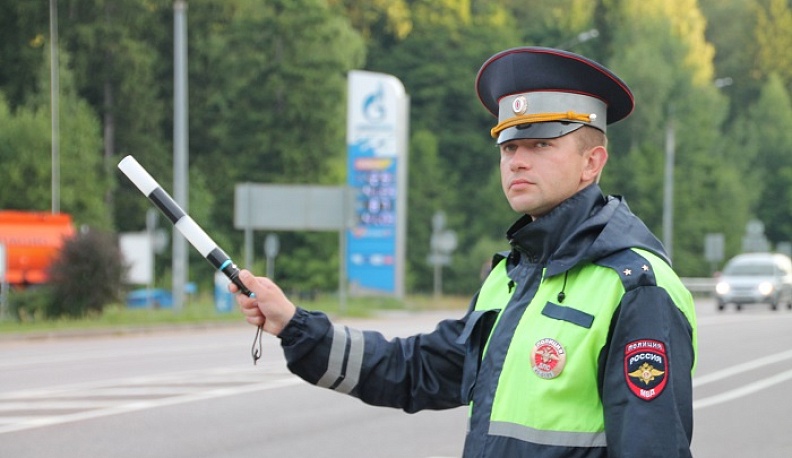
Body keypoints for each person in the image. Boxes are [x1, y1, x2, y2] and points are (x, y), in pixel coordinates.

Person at [233, 46, 697, 457]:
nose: (517, 160)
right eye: (509, 145)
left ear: (591, 163)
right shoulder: (513, 275)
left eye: (540, 144)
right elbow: (418, 370)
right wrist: (295, 326)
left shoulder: (635, 288)